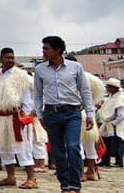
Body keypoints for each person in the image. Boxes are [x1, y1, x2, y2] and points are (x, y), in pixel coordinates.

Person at [33, 35, 95, 193]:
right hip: (51, 113)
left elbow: (85, 91)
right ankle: (65, 185)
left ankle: (75, 185)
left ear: (57, 50)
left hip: (72, 112)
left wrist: (90, 114)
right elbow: (38, 94)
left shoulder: (75, 67)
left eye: (46, 48)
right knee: (58, 151)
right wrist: (40, 115)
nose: (43, 51)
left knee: (73, 147)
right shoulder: (40, 69)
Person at [0, 47, 37, 189]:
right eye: (7, 57)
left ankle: (31, 178)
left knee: (24, 147)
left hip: (17, 117)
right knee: (4, 148)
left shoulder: (22, 77)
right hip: (0, 117)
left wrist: (24, 117)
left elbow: (27, 100)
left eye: (12, 57)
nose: (10, 60)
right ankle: (10, 176)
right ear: (0, 58)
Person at [99, 78, 124, 167]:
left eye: (108, 87)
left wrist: (114, 123)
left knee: (116, 143)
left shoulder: (119, 97)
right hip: (108, 123)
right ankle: (105, 160)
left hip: (115, 124)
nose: (107, 88)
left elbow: (121, 114)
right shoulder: (111, 97)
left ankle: (119, 161)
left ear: (114, 88)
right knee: (106, 142)